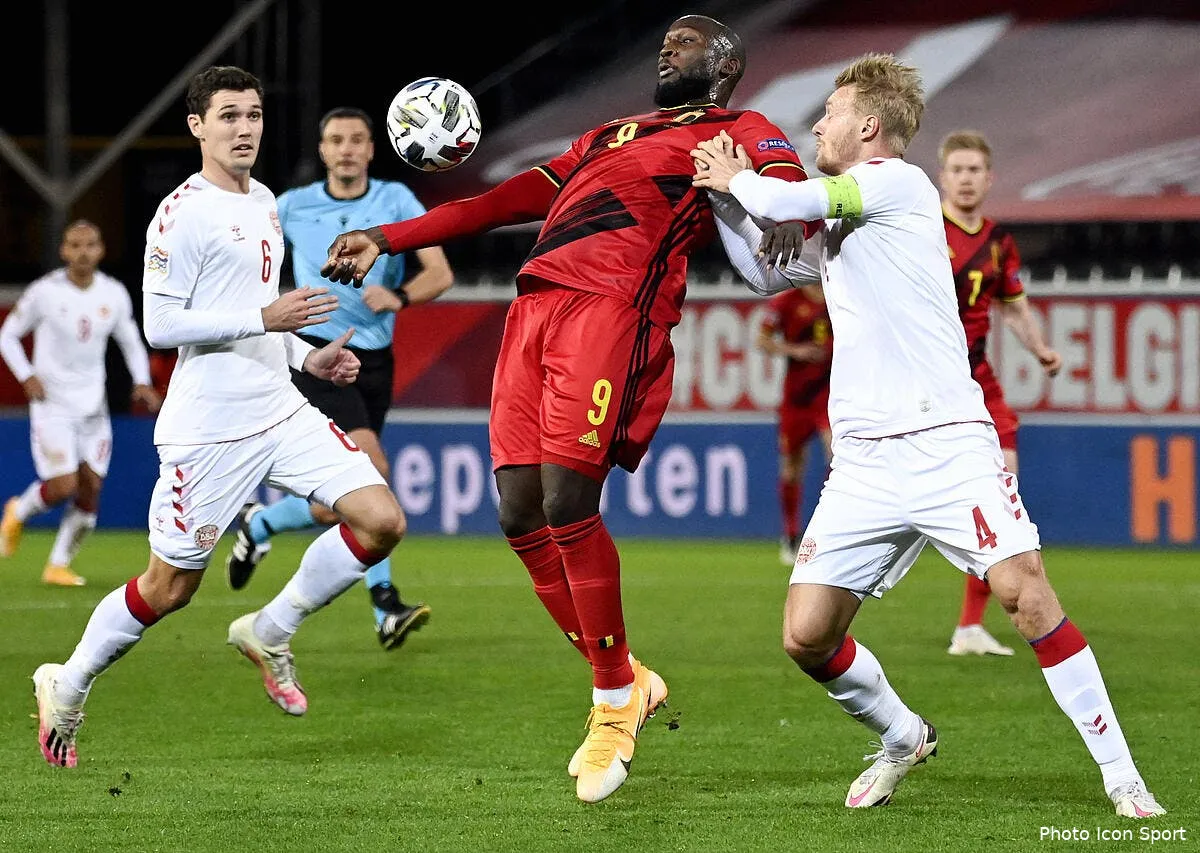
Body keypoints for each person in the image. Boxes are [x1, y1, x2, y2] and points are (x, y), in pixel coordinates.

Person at [319, 15, 812, 803]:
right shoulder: (612, 131)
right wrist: (390, 233)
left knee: (567, 498)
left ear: (724, 64)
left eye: (686, 42)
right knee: (518, 511)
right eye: (666, 40)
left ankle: (613, 701)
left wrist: (786, 211)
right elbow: (512, 197)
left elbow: (792, 192)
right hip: (535, 308)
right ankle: (625, 680)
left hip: (613, 308)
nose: (667, 47)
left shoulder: (739, 127)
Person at [691, 53, 1164, 818]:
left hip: (947, 441)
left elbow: (788, 199)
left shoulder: (901, 184)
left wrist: (735, 176)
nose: (816, 123)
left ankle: (1122, 776)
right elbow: (765, 269)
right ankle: (902, 733)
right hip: (865, 463)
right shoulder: (848, 220)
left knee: (1027, 593)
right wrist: (719, 198)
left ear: (869, 126)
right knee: (806, 636)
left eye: (831, 111)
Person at [31, 65, 409, 769]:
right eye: (228, 116)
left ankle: (270, 628)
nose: (244, 128)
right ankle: (68, 683)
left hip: (280, 407)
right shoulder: (181, 214)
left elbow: (259, 316)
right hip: (209, 428)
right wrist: (265, 316)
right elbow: (160, 324)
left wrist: (305, 355)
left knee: (381, 519)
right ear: (198, 125)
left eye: (255, 114)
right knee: (168, 587)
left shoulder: (264, 199)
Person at [224, 106, 452, 650]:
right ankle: (384, 607)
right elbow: (250, 272)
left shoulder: (396, 201)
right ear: (322, 151)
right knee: (371, 473)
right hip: (317, 356)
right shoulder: (291, 207)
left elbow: (440, 273)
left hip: (375, 360)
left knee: (338, 503)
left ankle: (262, 524)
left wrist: (397, 295)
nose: (346, 149)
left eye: (356, 140)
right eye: (335, 140)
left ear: (372, 149)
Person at [937, 129, 1062, 657]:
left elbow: (1011, 304)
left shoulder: (996, 239)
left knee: (1001, 494)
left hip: (977, 378)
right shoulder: (921, 228)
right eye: (957, 169)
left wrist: (1039, 347)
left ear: (989, 179)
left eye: (975, 170)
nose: (966, 178)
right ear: (943, 176)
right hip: (929, 382)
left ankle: (969, 625)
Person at [0, 220, 163, 587]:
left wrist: (140, 381)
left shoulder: (113, 293)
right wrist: (26, 374)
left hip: (94, 408)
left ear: (101, 250)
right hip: (52, 404)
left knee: (91, 488)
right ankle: (19, 509)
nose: (83, 252)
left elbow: (131, 341)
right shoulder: (44, 292)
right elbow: (8, 336)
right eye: (75, 245)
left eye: (90, 245)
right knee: (62, 486)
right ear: (64, 251)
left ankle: (57, 564)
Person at [757, 284, 832, 566]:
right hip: (796, 399)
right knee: (791, 470)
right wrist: (795, 350)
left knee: (837, 459)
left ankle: (830, 534)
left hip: (830, 395)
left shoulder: (840, 290)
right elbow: (762, 340)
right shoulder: (787, 301)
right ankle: (790, 535)